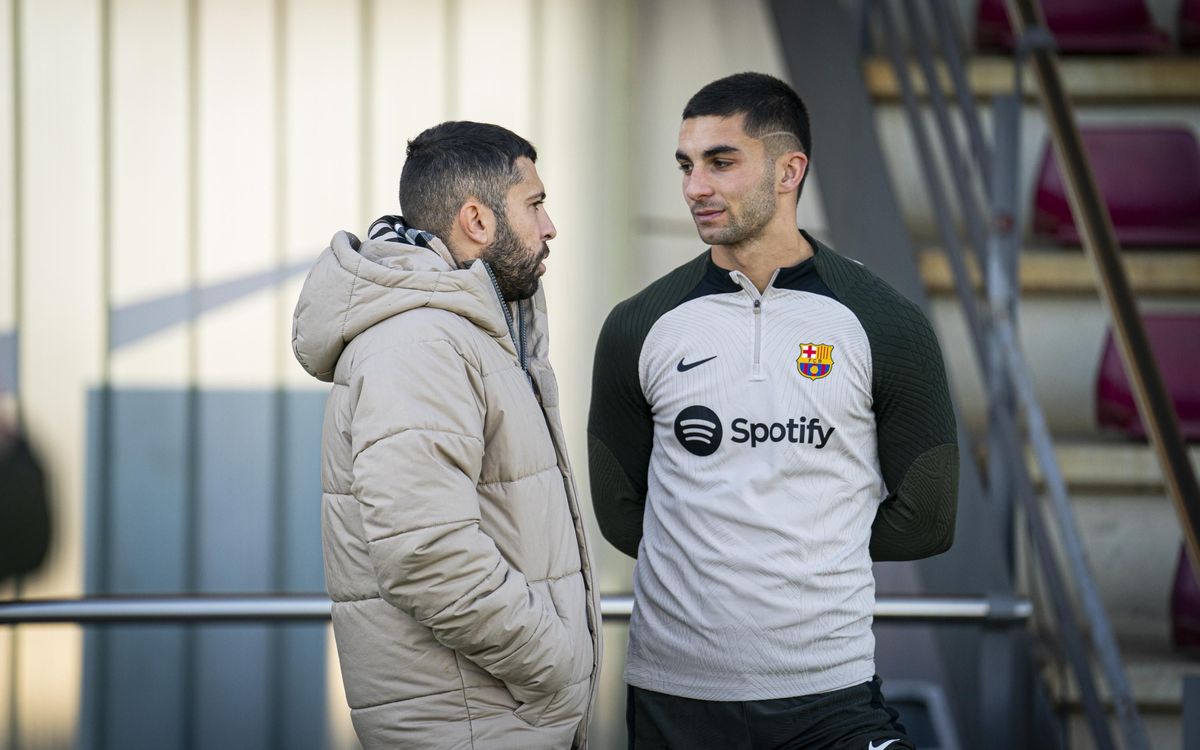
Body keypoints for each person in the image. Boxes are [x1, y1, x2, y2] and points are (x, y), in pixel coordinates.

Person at [588, 72, 958, 749]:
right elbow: (619, 509)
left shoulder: (886, 323)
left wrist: (801, 546)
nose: (695, 186)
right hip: (676, 698)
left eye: (721, 161)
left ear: (790, 170)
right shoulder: (638, 325)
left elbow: (928, 519)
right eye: (686, 164)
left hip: (831, 693)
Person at [293, 121, 601, 750]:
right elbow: (426, 555)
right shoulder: (419, 343)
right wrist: (557, 665)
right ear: (477, 220)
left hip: (495, 720)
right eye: (535, 204)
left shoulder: (466, 332)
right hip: (476, 727)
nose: (550, 227)